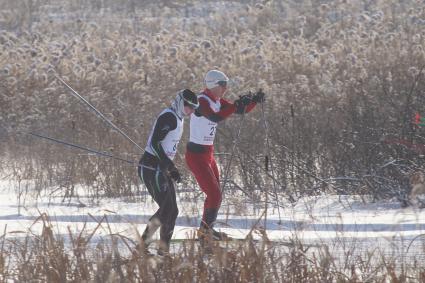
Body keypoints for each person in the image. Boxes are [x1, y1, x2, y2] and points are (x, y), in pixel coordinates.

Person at [185, 70, 265, 243]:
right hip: (196, 156)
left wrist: (252, 101)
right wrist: (235, 106)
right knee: (214, 195)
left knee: (215, 194)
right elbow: (214, 117)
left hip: (208, 154)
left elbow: (238, 110)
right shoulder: (201, 101)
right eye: (223, 85)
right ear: (214, 85)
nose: (225, 88)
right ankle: (206, 232)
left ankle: (206, 230)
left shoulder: (217, 100)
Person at [138, 89, 199, 255]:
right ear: (180, 102)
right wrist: (169, 165)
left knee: (172, 211)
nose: (191, 111)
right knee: (167, 209)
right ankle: (143, 247)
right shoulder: (169, 117)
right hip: (151, 167)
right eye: (189, 107)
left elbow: (167, 146)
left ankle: (163, 251)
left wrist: (170, 167)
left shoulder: (178, 118)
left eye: (193, 108)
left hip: (161, 167)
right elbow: (156, 144)